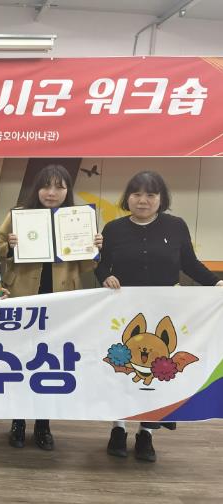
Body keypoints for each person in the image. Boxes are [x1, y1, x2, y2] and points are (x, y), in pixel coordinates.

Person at [95, 170, 223, 463]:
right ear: (127, 197)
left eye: (151, 195)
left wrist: (216, 283)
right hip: (124, 315)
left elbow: (190, 263)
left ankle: (147, 433)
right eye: (137, 194)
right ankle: (118, 428)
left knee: (158, 370)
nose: (143, 200)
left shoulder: (175, 226)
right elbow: (102, 265)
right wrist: (105, 277)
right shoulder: (113, 229)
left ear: (161, 199)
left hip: (165, 315)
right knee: (123, 368)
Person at [0, 164, 102, 451]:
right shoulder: (18, 215)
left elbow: (86, 265)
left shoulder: (77, 219)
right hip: (23, 297)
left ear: (68, 191)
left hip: (61, 301)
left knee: (51, 363)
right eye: (46, 186)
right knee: (21, 360)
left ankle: (43, 424)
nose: (51, 192)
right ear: (37, 189)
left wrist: (94, 248)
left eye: (59, 187)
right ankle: (18, 422)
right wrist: (10, 246)